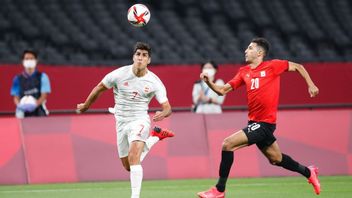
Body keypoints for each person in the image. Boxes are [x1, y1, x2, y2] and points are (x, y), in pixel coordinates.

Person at [197, 38, 320, 197]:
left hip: (265, 123)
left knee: (227, 144)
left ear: (260, 52)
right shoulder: (244, 72)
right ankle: (308, 172)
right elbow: (222, 91)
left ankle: (219, 190)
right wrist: (208, 83)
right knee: (276, 159)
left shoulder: (273, 66)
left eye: (250, 48)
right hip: (254, 122)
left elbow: (298, 67)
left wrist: (311, 84)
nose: (245, 51)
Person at [76, 42, 174, 198]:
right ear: (133, 57)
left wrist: (164, 113)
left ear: (149, 60)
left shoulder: (155, 82)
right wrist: (87, 105)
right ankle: (155, 137)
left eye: (144, 55)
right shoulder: (119, 74)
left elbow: (168, 107)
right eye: (138, 54)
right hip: (121, 121)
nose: (140, 58)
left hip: (140, 120)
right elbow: (100, 87)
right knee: (128, 166)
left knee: (134, 157)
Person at [10, 49, 51, 118]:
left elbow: (44, 95)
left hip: (39, 111)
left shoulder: (43, 76)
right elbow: (15, 96)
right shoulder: (17, 78)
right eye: (27, 59)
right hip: (22, 112)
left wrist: (34, 105)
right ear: (23, 61)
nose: (29, 61)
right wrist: (20, 106)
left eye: (31, 58)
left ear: (36, 60)